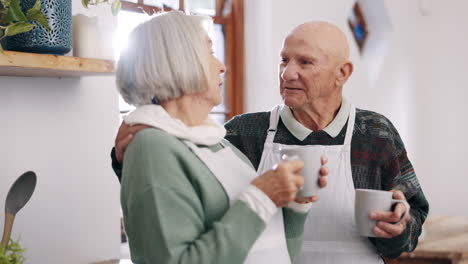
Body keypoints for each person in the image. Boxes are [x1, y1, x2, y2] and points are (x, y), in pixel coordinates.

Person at [112, 20, 429, 263]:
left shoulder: (375, 133)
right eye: (284, 61)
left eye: (304, 62)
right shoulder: (241, 133)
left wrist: (399, 228)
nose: (288, 73)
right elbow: (174, 192)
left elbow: (411, 224)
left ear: (342, 73)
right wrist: (123, 158)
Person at [114, 11, 328, 264]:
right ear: (178, 60)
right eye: (210, 52)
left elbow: (278, 250)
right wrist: (262, 196)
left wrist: (294, 203)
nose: (222, 66)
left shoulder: (220, 143)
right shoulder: (151, 146)